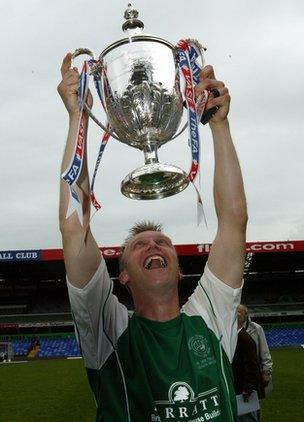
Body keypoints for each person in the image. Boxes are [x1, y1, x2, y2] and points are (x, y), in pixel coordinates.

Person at [57, 52, 248, 421]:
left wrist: (219, 127)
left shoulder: (211, 315)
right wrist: (78, 117)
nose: (154, 244)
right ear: (123, 275)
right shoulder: (108, 329)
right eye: (139, 245)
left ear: (178, 270)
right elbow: (74, 226)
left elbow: (233, 221)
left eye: (162, 242)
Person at [238, 305, 273, 388]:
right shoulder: (229, 329)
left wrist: (266, 371)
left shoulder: (256, 328)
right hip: (237, 371)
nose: (237, 314)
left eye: (239, 312)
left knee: (254, 398)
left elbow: (264, 352)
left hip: (253, 371)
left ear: (246, 314)